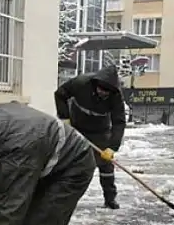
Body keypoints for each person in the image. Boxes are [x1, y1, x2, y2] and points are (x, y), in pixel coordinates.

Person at [54, 65, 127, 209]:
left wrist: (112, 147)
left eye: (107, 92)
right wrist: (64, 118)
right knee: (69, 161)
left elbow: (119, 122)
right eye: (101, 89)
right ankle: (62, 198)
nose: (103, 93)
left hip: (100, 131)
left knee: (106, 165)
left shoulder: (116, 96)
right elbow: (60, 94)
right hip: (76, 126)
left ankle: (110, 198)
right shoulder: (81, 83)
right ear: (96, 84)